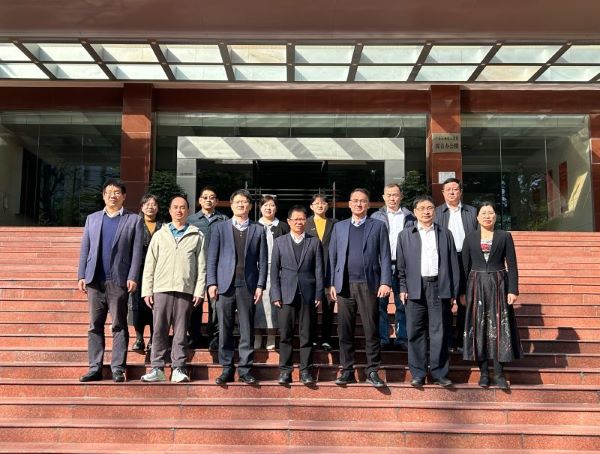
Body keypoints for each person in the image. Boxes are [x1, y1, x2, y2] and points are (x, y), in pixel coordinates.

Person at [77, 178, 144, 383]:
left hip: (118, 280)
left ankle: (117, 368)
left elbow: (137, 252)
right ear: (103, 196)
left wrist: (133, 276)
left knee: (119, 325)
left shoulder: (134, 220)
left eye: (116, 192)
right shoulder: (92, 219)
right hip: (94, 280)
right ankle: (94, 367)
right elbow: (85, 248)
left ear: (124, 196)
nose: (112, 196)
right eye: (108, 192)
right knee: (94, 326)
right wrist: (81, 275)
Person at [329, 188, 391, 388]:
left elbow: (385, 255)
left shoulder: (378, 226)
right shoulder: (339, 227)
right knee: (344, 330)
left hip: (368, 284)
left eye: (362, 201)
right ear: (349, 204)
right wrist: (332, 282)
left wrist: (385, 281)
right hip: (344, 285)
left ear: (368, 204)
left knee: (371, 329)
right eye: (355, 200)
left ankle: (372, 370)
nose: (358, 204)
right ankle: (347, 370)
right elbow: (332, 257)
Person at [140, 194, 206, 383]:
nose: (179, 210)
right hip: (161, 288)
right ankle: (157, 368)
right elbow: (150, 264)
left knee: (181, 330)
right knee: (159, 329)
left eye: (183, 207)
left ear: (188, 211)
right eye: (175, 207)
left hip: (185, 289)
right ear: (169, 211)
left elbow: (201, 266)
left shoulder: (197, 235)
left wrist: (199, 290)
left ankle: (178, 368)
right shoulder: (160, 234)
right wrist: (147, 290)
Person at [397, 195, 460, 388]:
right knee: (415, 331)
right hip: (415, 288)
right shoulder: (405, 235)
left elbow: (453, 264)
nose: (426, 211)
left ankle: (440, 373)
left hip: (439, 287)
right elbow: (401, 267)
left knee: (439, 331)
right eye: (422, 208)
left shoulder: (445, 233)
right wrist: (403, 287)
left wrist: (453, 291)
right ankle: (418, 373)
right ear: (415, 212)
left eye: (430, 208)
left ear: (435, 211)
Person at [207, 189, 268, 385]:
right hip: (224, 285)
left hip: (248, 285)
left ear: (250, 206)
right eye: (237, 202)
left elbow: (263, 261)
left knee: (246, 328)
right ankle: (226, 368)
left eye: (244, 202)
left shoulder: (258, 229)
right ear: (231, 205)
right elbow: (212, 258)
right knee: (224, 328)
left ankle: (245, 369)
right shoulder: (220, 228)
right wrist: (212, 282)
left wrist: (260, 285)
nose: (241, 205)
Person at [462, 202, 521, 390]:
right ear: (477, 217)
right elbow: (464, 267)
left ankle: (499, 373)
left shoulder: (504, 236)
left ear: (495, 216)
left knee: (500, 327)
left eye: (490, 213)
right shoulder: (470, 238)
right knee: (479, 327)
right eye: (484, 213)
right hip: (476, 285)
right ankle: (484, 373)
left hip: (499, 284)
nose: (487, 216)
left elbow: (512, 264)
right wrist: (462, 292)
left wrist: (513, 289)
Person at [271, 205, 323, 385]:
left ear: (306, 221)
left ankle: (306, 371)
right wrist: (275, 294)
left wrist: (318, 294)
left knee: (307, 335)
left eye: (302, 219)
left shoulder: (314, 242)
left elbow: (319, 270)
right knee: (285, 335)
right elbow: (274, 271)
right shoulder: (280, 242)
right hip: (286, 295)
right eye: (296, 219)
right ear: (289, 221)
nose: (299, 222)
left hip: (308, 294)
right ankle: (285, 371)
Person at [370, 183, 416, 351]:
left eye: (395, 195)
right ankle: (382, 338)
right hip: (382, 264)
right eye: (388, 195)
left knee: (402, 302)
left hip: (404, 264)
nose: (392, 198)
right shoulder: (375, 216)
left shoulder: (410, 216)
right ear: (383, 197)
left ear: (401, 196)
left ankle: (402, 337)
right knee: (380, 303)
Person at [435, 178, 478, 353]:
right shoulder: (437, 212)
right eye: (448, 189)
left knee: (464, 300)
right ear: (443, 193)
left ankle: (461, 340)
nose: (452, 192)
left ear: (460, 192)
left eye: (455, 189)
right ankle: (446, 341)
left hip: (467, 259)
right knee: (445, 299)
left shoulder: (472, 211)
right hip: (444, 260)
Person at [187, 186, 229, 350]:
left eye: (212, 197)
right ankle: (194, 335)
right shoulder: (191, 220)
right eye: (205, 197)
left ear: (217, 201)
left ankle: (215, 337)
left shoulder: (224, 220)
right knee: (195, 303)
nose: (208, 200)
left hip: (218, 268)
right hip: (196, 267)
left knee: (215, 304)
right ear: (199, 201)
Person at [128, 194, 162, 352]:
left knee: (156, 305)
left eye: (154, 204)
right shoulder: (134, 224)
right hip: (139, 270)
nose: (150, 207)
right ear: (141, 207)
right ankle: (139, 338)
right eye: (147, 204)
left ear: (158, 208)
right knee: (138, 305)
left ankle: (153, 339)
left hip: (158, 271)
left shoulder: (163, 227)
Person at [256, 195, 289, 350]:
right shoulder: (254, 226)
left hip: (278, 270)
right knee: (258, 304)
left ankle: (271, 335)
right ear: (260, 208)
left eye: (272, 205)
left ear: (276, 208)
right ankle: (257, 335)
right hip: (257, 270)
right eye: (266, 205)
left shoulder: (283, 227)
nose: (269, 208)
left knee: (274, 304)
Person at [305, 194, 338, 351]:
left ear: (327, 206)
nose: (320, 205)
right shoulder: (305, 223)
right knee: (310, 307)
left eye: (323, 203)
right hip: (310, 272)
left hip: (329, 271)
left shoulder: (335, 224)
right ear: (311, 206)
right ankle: (311, 337)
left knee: (328, 307)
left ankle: (326, 338)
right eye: (316, 203)